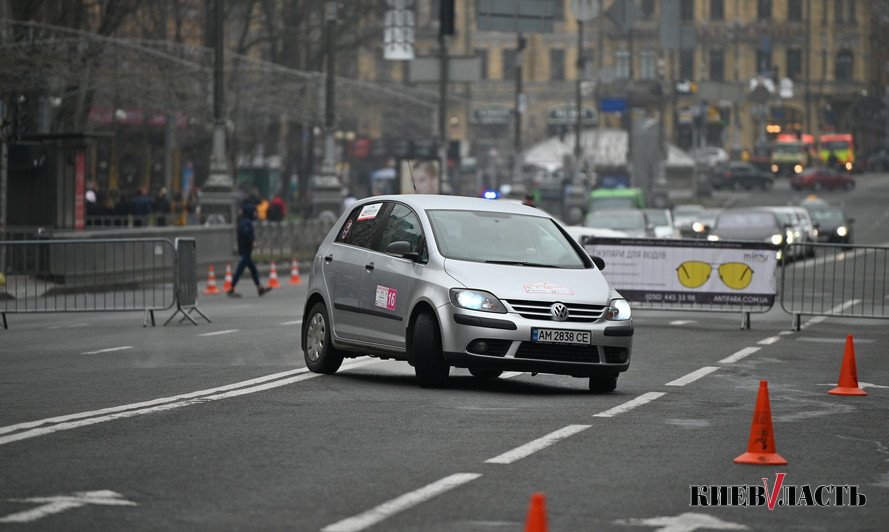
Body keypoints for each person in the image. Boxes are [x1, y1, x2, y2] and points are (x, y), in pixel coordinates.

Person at [227, 204, 271, 298]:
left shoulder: (242, 221)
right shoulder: (247, 222)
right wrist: (252, 241)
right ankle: (231, 288)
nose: (256, 214)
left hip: (243, 248)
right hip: (246, 249)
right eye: (255, 212)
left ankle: (260, 288)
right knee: (240, 269)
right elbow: (246, 232)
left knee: (253, 269)